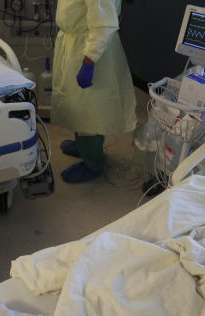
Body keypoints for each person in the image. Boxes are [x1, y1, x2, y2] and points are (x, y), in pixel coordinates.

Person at [53, 0, 137, 183]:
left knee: (89, 110)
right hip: (75, 42)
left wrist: (89, 61)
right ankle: (83, 146)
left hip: (89, 49)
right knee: (77, 102)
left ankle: (92, 162)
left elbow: (103, 25)